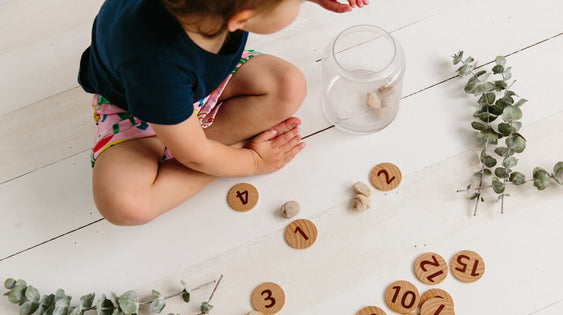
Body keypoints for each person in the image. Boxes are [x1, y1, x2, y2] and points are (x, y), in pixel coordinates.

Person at [78, 0, 369, 226]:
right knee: (126, 205)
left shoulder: (212, 8)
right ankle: (212, 149)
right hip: (137, 108)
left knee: (289, 86)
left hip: (202, 83)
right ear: (241, 18)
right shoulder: (156, 67)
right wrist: (252, 161)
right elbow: (195, 154)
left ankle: (201, 144)